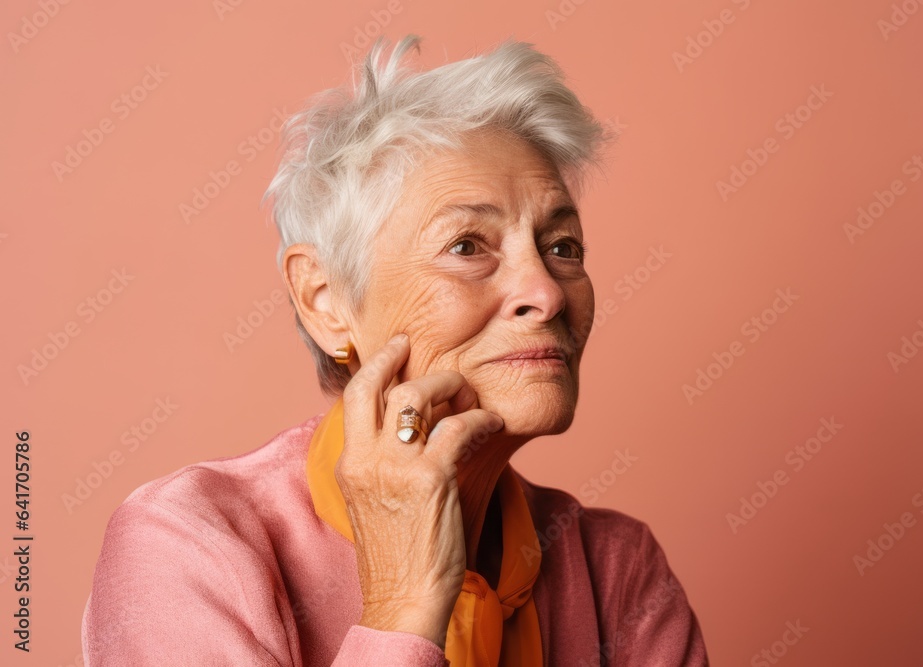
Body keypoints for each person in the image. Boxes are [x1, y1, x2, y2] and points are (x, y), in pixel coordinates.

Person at [82, 34, 709, 666]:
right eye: (467, 246)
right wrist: (405, 606)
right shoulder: (186, 543)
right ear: (326, 301)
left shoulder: (617, 571)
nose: (545, 294)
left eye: (563, 247)